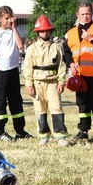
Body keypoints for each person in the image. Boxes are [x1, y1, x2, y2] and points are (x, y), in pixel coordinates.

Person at [63, 3, 93, 143]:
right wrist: (70, 63)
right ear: (77, 15)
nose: (85, 16)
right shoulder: (71, 33)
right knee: (82, 103)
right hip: (79, 75)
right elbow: (67, 51)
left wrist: (91, 39)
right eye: (82, 14)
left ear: (92, 14)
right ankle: (83, 130)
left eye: (88, 13)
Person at [23, 15, 68, 145]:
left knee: (56, 108)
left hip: (52, 82)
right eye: (42, 31)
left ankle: (60, 135)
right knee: (39, 109)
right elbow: (28, 67)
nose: (45, 33)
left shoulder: (57, 47)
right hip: (37, 83)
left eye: (47, 30)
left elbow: (61, 65)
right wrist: (29, 84)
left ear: (51, 31)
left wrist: (61, 81)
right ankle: (43, 135)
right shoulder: (32, 48)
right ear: (37, 32)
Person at [0, 6, 29, 141]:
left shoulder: (13, 31)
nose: (8, 21)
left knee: (16, 101)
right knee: (0, 102)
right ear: (0, 19)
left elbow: (20, 45)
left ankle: (20, 130)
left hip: (13, 70)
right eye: (6, 19)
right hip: (1, 71)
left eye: (10, 18)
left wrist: (14, 27)